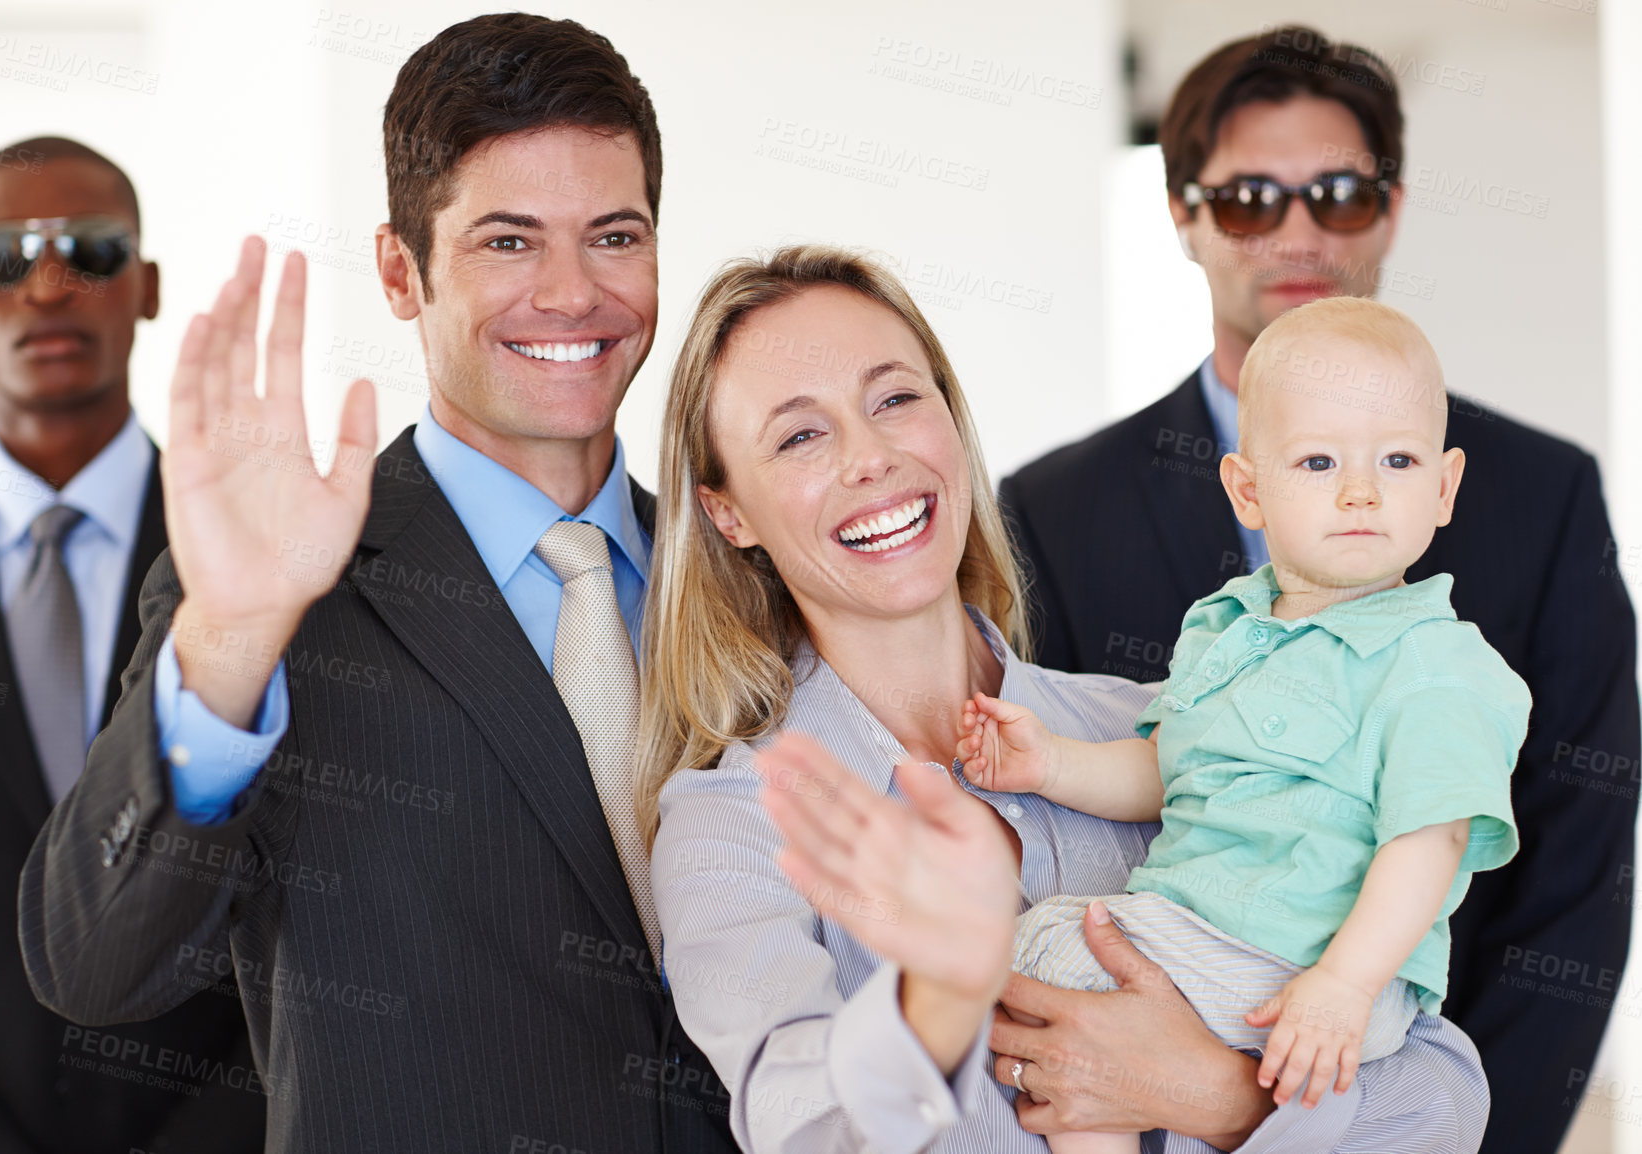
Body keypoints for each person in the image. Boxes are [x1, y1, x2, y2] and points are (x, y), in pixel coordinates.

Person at [17, 17, 735, 1153]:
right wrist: (231, 642)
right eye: (508, 242)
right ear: (401, 271)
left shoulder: (739, 579)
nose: (571, 292)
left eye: (612, 233)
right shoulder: (285, 594)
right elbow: (94, 960)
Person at [640, 245, 1490, 1154]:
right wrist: (936, 1000)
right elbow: (804, 1130)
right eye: (800, 435)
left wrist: (1209, 1094)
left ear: (951, 423)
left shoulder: (1164, 727)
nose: (871, 457)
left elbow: (1443, 1101)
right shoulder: (730, 825)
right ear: (727, 513)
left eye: (895, 399)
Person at [998, 27, 1638, 1151]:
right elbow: (1095, 791)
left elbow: (1575, 864)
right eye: (1247, 196)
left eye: (1337, 192)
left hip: (1407, 1090)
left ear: (1388, 210)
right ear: (1182, 215)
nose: (1295, 230)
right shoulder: (1049, 506)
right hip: (1121, 1037)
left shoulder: (1543, 494)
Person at [957, 298, 1528, 1153]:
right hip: (1213, 938)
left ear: (1444, 488)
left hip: (1305, 964)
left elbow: (1432, 839)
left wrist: (1342, 982)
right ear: (1249, 489)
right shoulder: (1223, 627)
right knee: (1048, 984)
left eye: (1398, 460)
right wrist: (1050, 766)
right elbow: (1168, 772)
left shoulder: (1436, 662)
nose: (1361, 489)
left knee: (1051, 965)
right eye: (1319, 460)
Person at [0, 138, 264, 1152]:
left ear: (146, 287)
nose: (51, 284)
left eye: (93, 252)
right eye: (6, 259)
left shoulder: (266, 560)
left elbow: (323, 901)